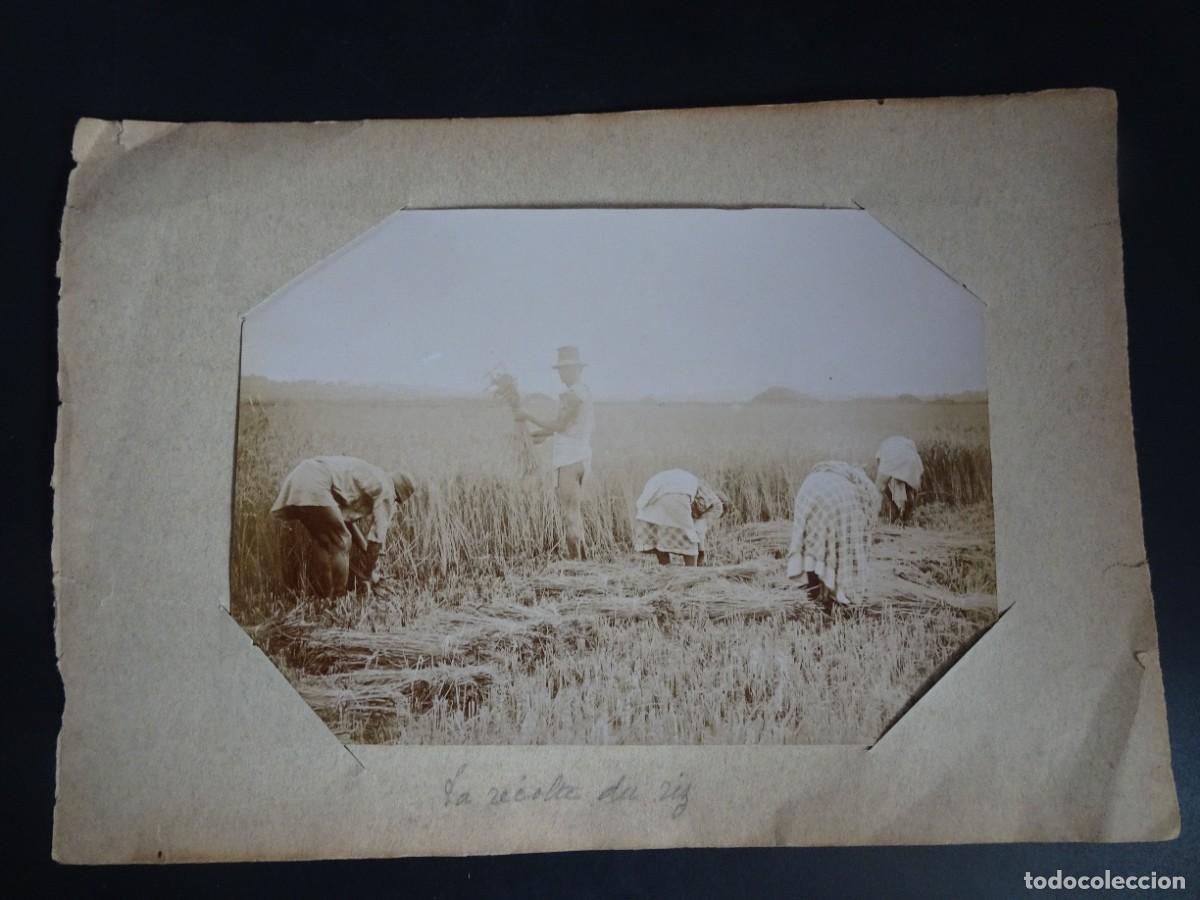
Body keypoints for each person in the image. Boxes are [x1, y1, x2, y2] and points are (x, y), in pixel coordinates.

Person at [270, 456, 415, 598]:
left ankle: (325, 596)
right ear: (398, 494)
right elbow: (377, 539)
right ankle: (339, 597)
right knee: (342, 540)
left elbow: (343, 520)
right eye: (397, 501)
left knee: (324, 541)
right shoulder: (387, 490)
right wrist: (369, 574)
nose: (394, 503)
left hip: (302, 474)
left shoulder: (374, 478)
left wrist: (364, 548)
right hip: (317, 481)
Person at [516, 345, 594, 560]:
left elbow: (560, 424)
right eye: (561, 369)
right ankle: (585, 564)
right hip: (581, 457)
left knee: (569, 515)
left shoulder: (573, 394)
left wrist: (527, 415)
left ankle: (576, 566)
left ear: (578, 370)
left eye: (567, 369)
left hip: (569, 460)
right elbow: (567, 427)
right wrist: (538, 435)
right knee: (574, 513)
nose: (562, 373)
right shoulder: (582, 391)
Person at [787, 460, 881, 612]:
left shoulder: (841, 475)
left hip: (808, 490)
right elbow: (850, 547)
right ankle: (829, 596)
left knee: (812, 544)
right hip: (834, 500)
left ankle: (814, 591)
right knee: (838, 550)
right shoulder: (861, 496)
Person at [633, 468, 725, 566]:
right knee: (691, 544)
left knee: (660, 536)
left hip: (650, 495)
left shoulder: (696, 488)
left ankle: (666, 570)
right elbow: (699, 529)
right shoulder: (717, 505)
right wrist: (701, 554)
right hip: (675, 493)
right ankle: (693, 574)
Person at [874, 435, 924, 524]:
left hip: (896, 457)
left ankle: (874, 516)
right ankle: (905, 516)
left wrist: (889, 495)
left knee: (878, 489)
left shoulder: (883, 450)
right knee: (909, 490)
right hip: (910, 460)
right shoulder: (908, 447)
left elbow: (880, 483)